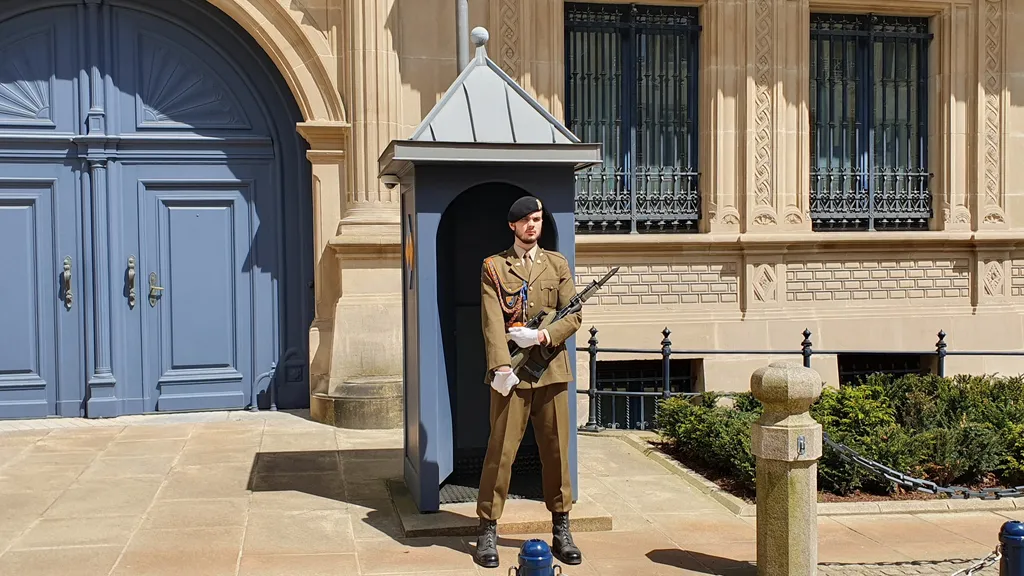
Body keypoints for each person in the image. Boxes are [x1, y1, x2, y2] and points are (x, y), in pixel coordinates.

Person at [473, 195, 583, 568]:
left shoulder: (558, 264)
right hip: (514, 375)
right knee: (501, 452)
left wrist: (540, 336)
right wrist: (501, 368)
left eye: (536, 219)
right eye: (526, 220)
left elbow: (573, 315)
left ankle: (561, 526)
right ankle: (488, 526)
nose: (532, 226)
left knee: (556, 453)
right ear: (513, 226)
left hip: (551, 371)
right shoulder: (494, 266)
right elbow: (491, 322)